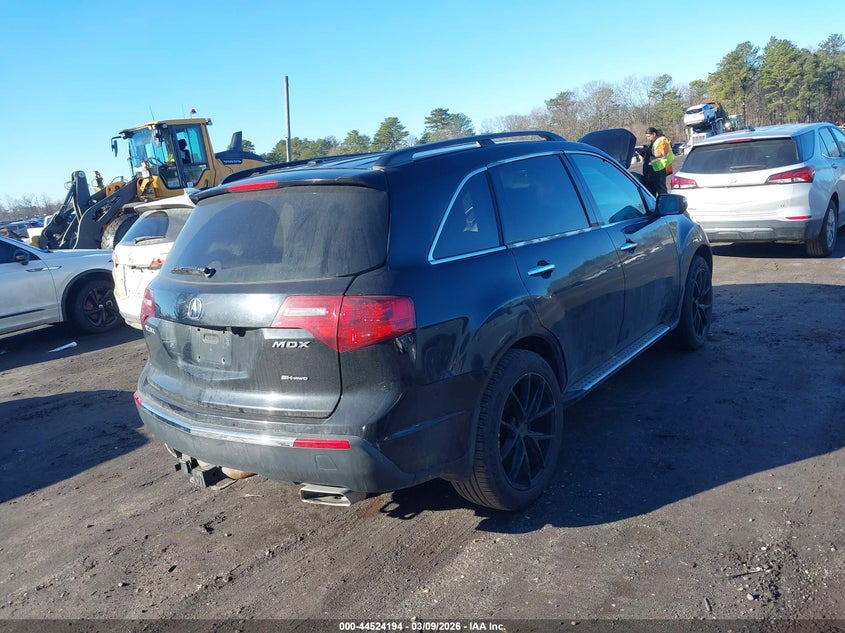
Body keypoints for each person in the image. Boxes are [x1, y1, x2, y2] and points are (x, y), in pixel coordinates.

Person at [642, 127, 674, 196]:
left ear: (654, 134)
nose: (648, 138)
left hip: (660, 169)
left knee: (661, 190)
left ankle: (664, 205)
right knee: (651, 191)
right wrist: (644, 152)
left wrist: (649, 151)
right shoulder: (653, 142)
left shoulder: (662, 140)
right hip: (653, 170)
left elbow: (659, 153)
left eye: (649, 136)